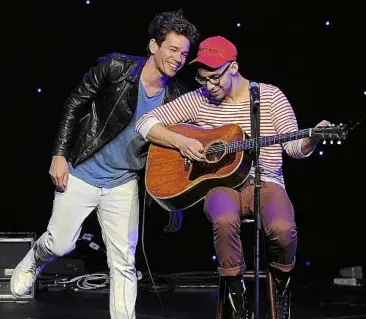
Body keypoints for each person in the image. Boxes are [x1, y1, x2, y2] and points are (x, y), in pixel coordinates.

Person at [10, 10, 199, 319]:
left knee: (124, 261)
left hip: (123, 183)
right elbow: (74, 104)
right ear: (154, 46)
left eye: (184, 53)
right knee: (59, 246)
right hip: (81, 172)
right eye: (173, 49)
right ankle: (35, 258)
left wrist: (173, 203)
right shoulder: (116, 67)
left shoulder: (177, 96)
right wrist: (59, 154)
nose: (178, 59)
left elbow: (172, 155)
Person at [135, 35, 330, 318]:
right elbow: (144, 123)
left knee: (283, 230)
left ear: (234, 67)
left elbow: (294, 147)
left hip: (267, 181)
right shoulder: (199, 99)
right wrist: (182, 143)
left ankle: (282, 285)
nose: (209, 86)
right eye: (203, 79)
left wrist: (312, 139)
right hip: (221, 184)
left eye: (214, 78)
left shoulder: (270, 96)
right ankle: (237, 299)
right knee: (224, 219)